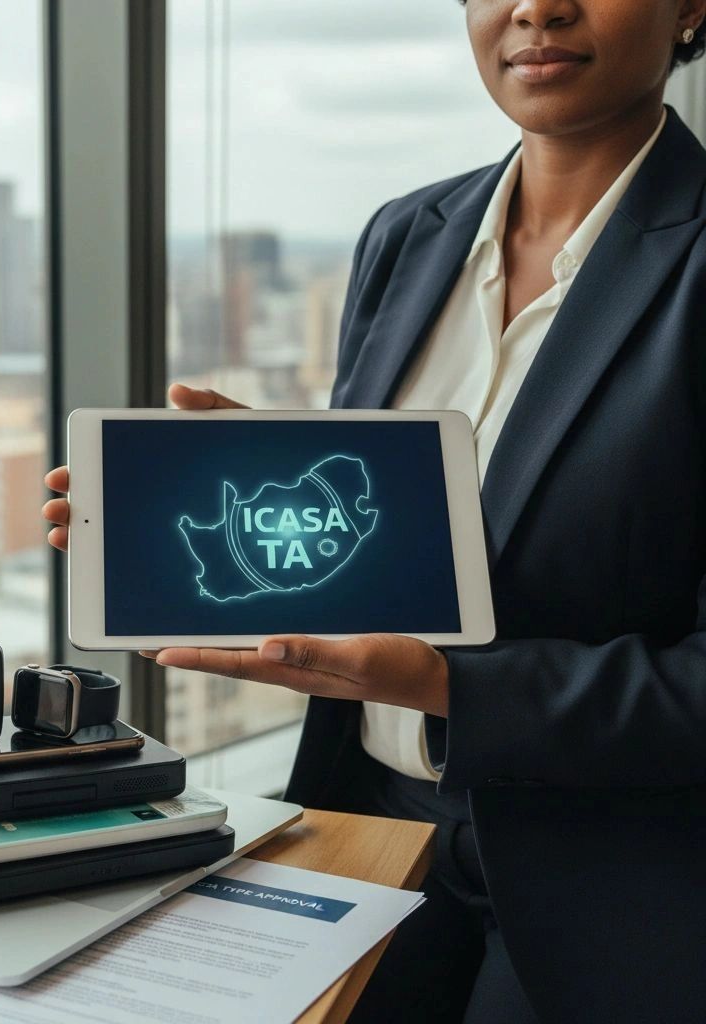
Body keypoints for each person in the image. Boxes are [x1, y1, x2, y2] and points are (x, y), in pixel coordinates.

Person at [42, 1, 706, 1019]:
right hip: (365, 831)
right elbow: (423, 526)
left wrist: (449, 686)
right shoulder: (409, 233)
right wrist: (278, 468)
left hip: (608, 883)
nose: (536, 7)